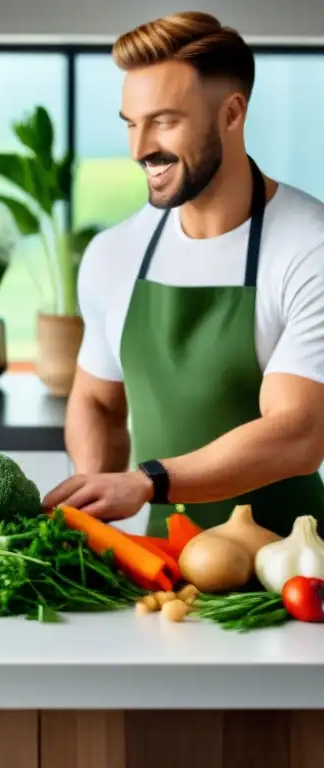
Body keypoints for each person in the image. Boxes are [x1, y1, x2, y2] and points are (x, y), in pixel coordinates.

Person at [42, 12, 324, 537]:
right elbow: (98, 404)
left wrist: (148, 481)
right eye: (131, 122)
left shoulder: (309, 248)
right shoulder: (114, 253)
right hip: (160, 577)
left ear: (232, 114)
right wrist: (93, 490)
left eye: (164, 121)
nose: (139, 148)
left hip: (290, 577)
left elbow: (298, 434)